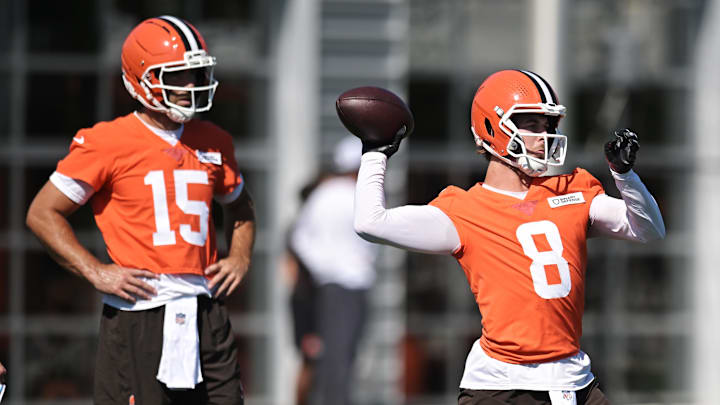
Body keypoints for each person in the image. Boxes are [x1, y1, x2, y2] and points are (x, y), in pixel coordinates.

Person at [353, 69, 665, 405]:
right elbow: (371, 222)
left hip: (573, 377)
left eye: (548, 125)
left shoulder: (572, 189)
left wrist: (625, 176)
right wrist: (375, 153)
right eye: (532, 124)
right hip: (504, 384)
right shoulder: (465, 209)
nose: (544, 135)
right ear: (492, 127)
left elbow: (647, 229)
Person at [25, 16, 254, 405]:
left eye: (194, 74)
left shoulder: (214, 140)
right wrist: (94, 270)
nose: (189, 87)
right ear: (140, 80)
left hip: (205, 309)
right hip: (141, 310)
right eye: (176, 76)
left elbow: (240, 206)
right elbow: (42, 213)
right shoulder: (108, 141)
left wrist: (240, 256)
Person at [290, 136, 379, 405]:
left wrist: (323, 269)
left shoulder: (323, 193)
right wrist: (333, 267)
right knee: (341, 359)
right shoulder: (356, 194)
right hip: (346, 286)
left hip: (333, 286)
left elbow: (300, 239)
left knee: (336, 357)